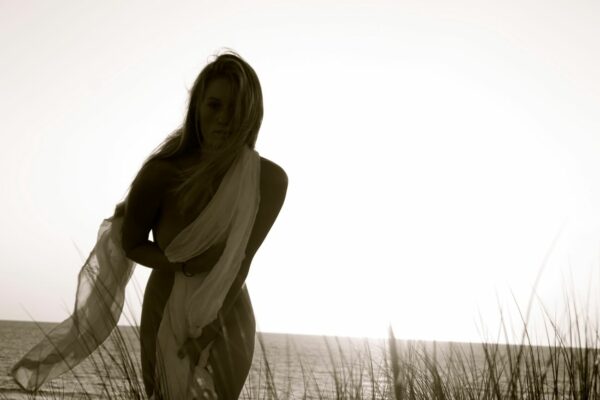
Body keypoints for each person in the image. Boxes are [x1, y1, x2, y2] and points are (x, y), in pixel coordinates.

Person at [11, 51, 287, 400]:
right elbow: (131, 243)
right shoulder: (162, 173)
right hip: (166, 301)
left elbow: (242, 262)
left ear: (251, 114)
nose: (223, 118)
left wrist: (210, 329)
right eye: (214, 105)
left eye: (235, 108)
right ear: (197, 109)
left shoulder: (268, 181)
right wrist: (182, 264)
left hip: (229, 312)